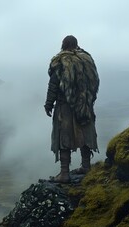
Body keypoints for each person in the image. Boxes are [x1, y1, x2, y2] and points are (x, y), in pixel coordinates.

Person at [44, 35, 99, 183]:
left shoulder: (60, 61)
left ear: (63, 45)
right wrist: (88, 101)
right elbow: (94, 82)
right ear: (76, 44)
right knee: (85, 133)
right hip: (85, 105)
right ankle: (86, 166)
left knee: (64, 136)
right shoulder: (86, 59)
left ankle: (64, 173)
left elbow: (54, 85)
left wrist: (49, 104)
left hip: (65, 106)